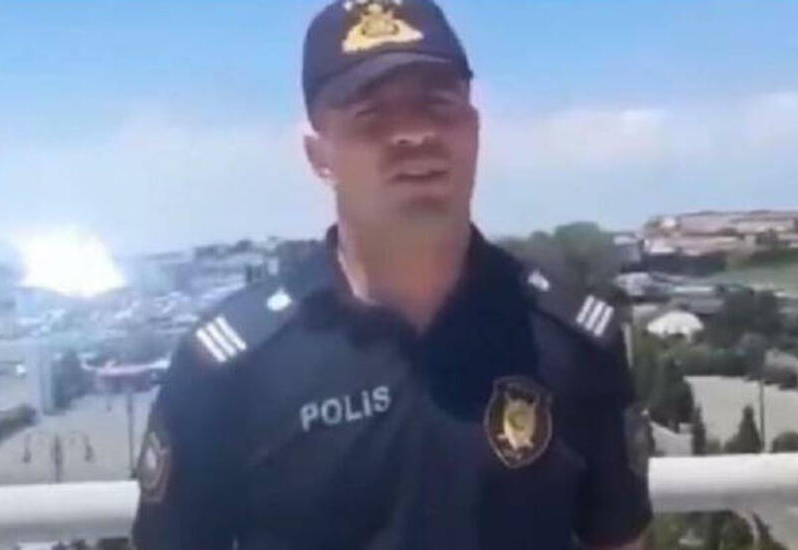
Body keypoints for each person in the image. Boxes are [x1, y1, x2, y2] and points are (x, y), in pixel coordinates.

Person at [131, 0, 652, 548]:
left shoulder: (574, 343)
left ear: (473, 130)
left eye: (438, 104)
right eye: (371, 115)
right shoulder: (230, 371)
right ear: (319, 156)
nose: (415, 133)